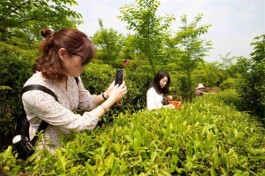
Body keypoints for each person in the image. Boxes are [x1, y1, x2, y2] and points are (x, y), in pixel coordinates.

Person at [22, 28, 127, 152]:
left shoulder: (71, 76)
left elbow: (87, 103)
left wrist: (106, 95)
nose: (85, 66)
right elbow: (80, 125)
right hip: (48, 155)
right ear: (62, 54)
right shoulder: (35, 93)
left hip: (69, 148)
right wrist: (111, 101)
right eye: (83, 61)